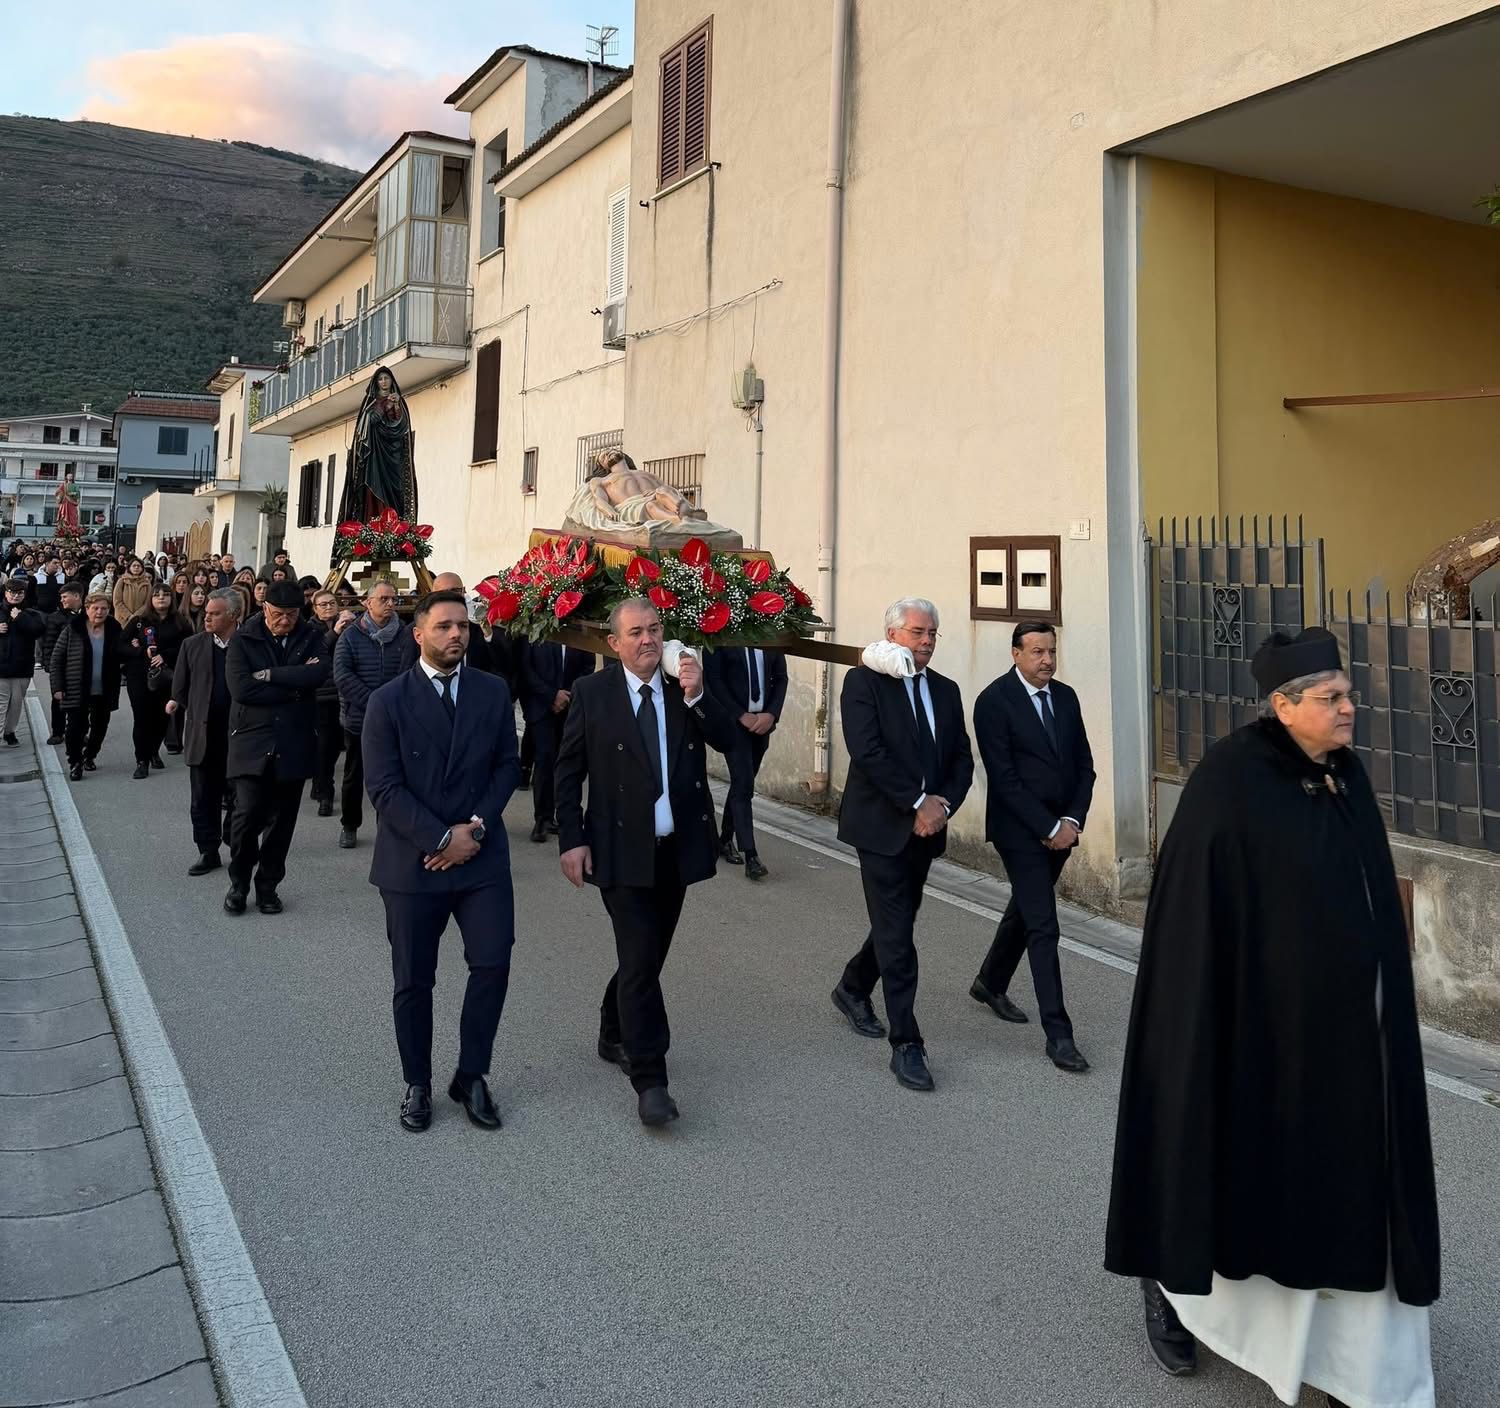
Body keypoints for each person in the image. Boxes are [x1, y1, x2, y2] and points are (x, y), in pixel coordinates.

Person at [1105, 627, 1440, 1408]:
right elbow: (1200, 919)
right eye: (1331, 699)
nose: (1350, 708)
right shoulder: (1229, 782)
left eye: (1348, 694)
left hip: (1357, 1037)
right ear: (1283, 705)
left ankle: (1358, 1371)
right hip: (1264, 1034)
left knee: (1352, 1190)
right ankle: (1174, 1287)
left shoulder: (1344, 777)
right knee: (1249, 1176)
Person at [554, 598, 737, 1127]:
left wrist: (699, 694)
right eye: (635, 632)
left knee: (646, 958)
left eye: (655, 630)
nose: (647, 640)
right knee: (639, 959)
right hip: (616, 850)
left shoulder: (685, 690)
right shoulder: (594, 694)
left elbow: (728, 741)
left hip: (675, 851)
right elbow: (568, 774)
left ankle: (613, 1027)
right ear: (614, 644)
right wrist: (571, 838)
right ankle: (651, 1078)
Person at [363, 591, 521, 1132]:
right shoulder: (388, 702)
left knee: (493, 964)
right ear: (419, 633)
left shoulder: (493, 692)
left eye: (464, 626)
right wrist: (437, 838)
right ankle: (417, 1082)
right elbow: (383, 788)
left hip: (479, 855)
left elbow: (507, 766)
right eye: (445, 626)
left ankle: (471, 1074)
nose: (457, 634)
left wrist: (473, 828)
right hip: (413, 863)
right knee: (414, 979)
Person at [830, 597, 973, 1092]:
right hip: (880, 827)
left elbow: (961, 759)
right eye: (917, 632)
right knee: (898, 935)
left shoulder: (946, 691)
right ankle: (907, 1043)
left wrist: (941, 807)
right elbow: (867, 752)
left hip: (927, 829)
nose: (927, 641)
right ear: (892, 635)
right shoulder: (864, 683)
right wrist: (917, 803)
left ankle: (852, 986)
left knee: (898, 921)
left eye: (933, 633)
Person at [969, 621, 1096, 1073]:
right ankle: (1059, 1035)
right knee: (1044, 925)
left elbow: (1085, 765)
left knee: (1026, 908)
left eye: (1052, 651)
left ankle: (990, 981)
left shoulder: (1065, 697)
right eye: (1037, 651)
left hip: (1062, 828)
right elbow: (1003, 779)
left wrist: (1071, 820)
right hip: (1019, 831)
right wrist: (1045, 825)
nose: (1047, 660)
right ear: (1016, 654)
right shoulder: (993, 702)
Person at [223, 581, 330, 915]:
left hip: (294, 739)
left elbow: (319, 675)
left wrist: (269, 675)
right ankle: (238, 883)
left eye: (292, 614)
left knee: (283, 822)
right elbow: (242, 689)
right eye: (279, 614)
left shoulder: (311, 635)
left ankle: (268, 886)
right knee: (247, 816)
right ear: (264, 608)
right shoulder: (244, 638)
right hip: (252, 739)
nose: (286, 620)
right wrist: (292, 686)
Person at [332, 581, 411, 849]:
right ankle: (349, 825)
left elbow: (409, 672)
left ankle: (387, 827)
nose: (390, 604)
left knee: (391, 777)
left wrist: (390, 704)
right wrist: (375, 702)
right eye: (384, 599)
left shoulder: (404, 635)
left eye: (394, 599)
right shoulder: (351, 635)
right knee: (355, 775)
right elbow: (343, 675)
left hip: (395, 719)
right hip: (360, 718)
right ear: (367, 602)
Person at [168, 590, 241, 876]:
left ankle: (235, 840)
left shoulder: (248, 645)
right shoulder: (192, 645)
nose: (207, 617)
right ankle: (207, 851)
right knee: (202, 798)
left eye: (215, 613)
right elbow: (180, 688)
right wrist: (182, 705)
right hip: (203, 735)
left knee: (241, 797)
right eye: (207, 613)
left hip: (238, 736)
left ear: (233, 615)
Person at [704, 645, 788, 880]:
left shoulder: (769, 635)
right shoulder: (723, 634)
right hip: (734, 723)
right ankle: (751, 855)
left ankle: (724, 839)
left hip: (762, 724)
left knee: (744, 782)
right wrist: (741, 715)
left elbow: (781, 678)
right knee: (743, 784)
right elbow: (714, 679)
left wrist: (771, 714)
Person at [517, 637, 596, 844]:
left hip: (570, 708)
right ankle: (542, 819)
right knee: (544, 760)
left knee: (567, 764)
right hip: (541, 707)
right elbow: (526, 670)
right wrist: (552, 695)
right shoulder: (536, 633)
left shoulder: (576, 634)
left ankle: (564, 819)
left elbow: (588, 666)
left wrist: (567, 695)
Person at [50, 593, 124, 781]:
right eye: (95, 608)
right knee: (75, 728)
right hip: (77, 688)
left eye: (104, 609)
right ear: (87, 608)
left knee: (100, 727)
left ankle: (89, 755)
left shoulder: (115, 628)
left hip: (104, 688)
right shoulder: (73, 629)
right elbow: (57, 659)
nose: (99, 612)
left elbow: (123, 653)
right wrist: (57, 687)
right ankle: (75, 762)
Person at [120, 583, 191, 780]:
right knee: (142, 718)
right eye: (157, 595)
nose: (161, 598)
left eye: (166, 595)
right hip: (140, 676)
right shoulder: (139, 622)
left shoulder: (180, 623)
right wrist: (139, 650)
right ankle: (141, 760)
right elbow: (121, 645)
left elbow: (187, 648)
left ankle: (153, 751)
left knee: (162, 718)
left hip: (167, 676)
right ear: (150, 599)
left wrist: (165, 656)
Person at [309, 590, 354, 816]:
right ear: (315, 608)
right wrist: (334, 633)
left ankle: (319, 782)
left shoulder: (347, 624)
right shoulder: (309, 629)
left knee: (337, 743)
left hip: (343, 692)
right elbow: (314, 654)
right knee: (324, 744)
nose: (328, 607)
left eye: (332, 603)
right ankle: (325, 793)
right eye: (323, 604)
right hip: (321, 693)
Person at [0, 577, 45, 746]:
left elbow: (38, 630)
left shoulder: (30, 613)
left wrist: (20, 619)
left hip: (22, 667)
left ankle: (10, 732)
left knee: (16, 704)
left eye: (19, 593)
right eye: (12, 592)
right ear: (6, 593)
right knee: (1, 704)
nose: (15, 596)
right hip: (1, 667)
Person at [41, 581, 83, 745]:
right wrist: (49, 665)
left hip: (81, 665)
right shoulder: (55, 618)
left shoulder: (88, 615)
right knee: (58, 698)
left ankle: (78, 731)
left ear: (77, 596)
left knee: (81, 701)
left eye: (65, 597)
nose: (62, 600)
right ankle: (58, 732)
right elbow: (49, 643)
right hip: (60, 666)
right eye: (61, 597)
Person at [112, 557, 151, 626]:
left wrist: (136, 616)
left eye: (138, 566)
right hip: (123, 619)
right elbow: (117, 601)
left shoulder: (147, 583)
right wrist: (128, 616)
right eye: (134, 566)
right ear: (129, 568)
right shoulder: (122, 581)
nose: (136, 567)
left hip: (140, 619)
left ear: (142, 568)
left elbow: (147, 602)